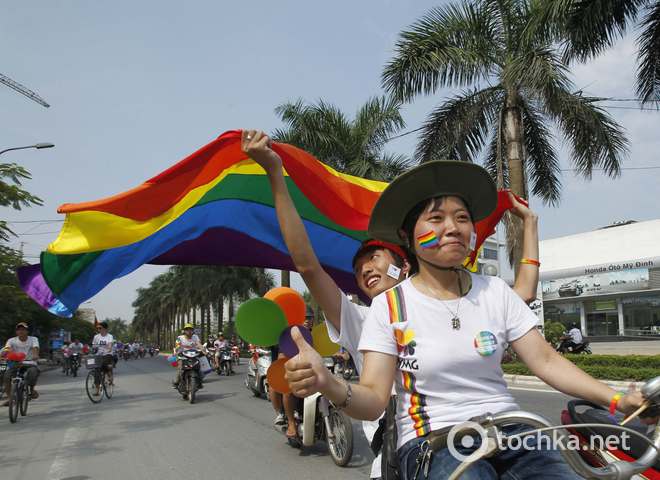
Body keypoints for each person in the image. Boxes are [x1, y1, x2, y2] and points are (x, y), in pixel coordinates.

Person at [284, 161, 656, 480]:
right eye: (436, 218)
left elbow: (545, 360)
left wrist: (619, 399)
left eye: (462, 217)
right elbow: (372, 400)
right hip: (436, 441)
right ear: (407, 237)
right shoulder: (390, 306)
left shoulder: (495, 290)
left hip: (516, 432)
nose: (453, 227)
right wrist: (327, 382)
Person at [242, 130, 540, 477]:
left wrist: (530, 224)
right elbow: (307, 265)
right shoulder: (362, 316)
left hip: (491, 439)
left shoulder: (465, 296)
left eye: (375, 258)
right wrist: (275, 175)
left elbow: (525, 293)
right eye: (358, 268)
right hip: (409, 455)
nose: (365, 268)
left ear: (407, 261)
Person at [1, 322, 40, 405]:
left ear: (27, 331)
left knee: (33, 372)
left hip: (30, 363)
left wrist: (35, 355)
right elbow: (7, 349)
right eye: (19, 330)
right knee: (6, 376)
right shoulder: (11, 340)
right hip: (15, 363)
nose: (21, 331)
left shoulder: (33, 339)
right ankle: (10, 398)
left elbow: (35, 348)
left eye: (23, 329)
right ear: (16, 332)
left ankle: (32, 390)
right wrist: (4, 353)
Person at [173, 323, 204, 389]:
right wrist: (177, 349)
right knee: (180, 367)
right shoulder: (180, 338)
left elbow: (199, 344)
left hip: (193, 355)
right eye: (187, 329)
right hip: (182, 355)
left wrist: (204, 351)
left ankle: (199, 382)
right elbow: (177, 345)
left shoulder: (195, 337)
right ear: (184, 331)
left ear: (193, 331)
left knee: (199, 367)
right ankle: (176, 382)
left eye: (190, 329)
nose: (189, 331)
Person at [91, 321, 115, 395]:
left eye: (100, 328)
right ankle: (97, 390)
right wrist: (92, 350)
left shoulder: (109, 336)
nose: (98, 329)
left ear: (105, 329)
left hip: (107, 354)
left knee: (106, 365)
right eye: (98, 328)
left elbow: (110, 344)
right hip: (99, 355)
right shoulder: (96, 337)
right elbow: (94, 346)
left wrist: (109, 348)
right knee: (96, 371)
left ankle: (109, 375)